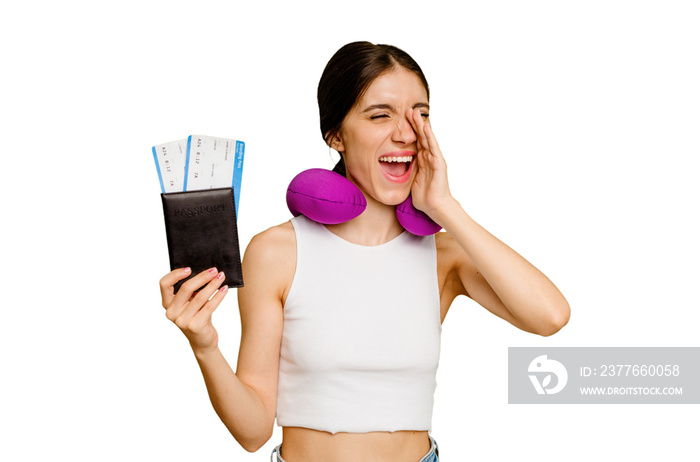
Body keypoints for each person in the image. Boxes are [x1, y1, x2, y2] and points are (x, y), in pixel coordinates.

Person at [159, 41, 570, 462]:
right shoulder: (277, 252)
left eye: (420, 114)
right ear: (335, 134)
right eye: (380, 115)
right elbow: (253, 432)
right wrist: (205, 345)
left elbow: (550, 316)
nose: (406, 133)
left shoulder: (443, 256)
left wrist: (446, 207)